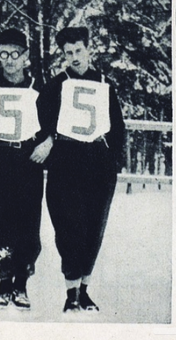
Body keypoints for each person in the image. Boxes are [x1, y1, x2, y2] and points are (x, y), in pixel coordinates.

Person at [37, 27, 125, 313]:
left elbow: (118, 127)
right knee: (68, 228)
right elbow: (42, 122)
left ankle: (84, 291)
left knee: (93, 228)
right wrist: (50, 142)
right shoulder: (55, 85)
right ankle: (70, 291)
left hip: (98, 162)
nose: (74, 57)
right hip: (66, 161)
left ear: (89, 49)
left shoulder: (105, 83)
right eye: (68, 53)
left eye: (78, 51)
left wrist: (114, 161)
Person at [0, 29, 52, 310]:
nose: (9, 60)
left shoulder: (40, 88)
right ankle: (4, 282)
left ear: (26, 57)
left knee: (27, 222)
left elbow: (52, 123)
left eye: (15, 54)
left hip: (28, 159)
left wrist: (48, 142)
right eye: (3, 54)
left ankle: (21, 284)